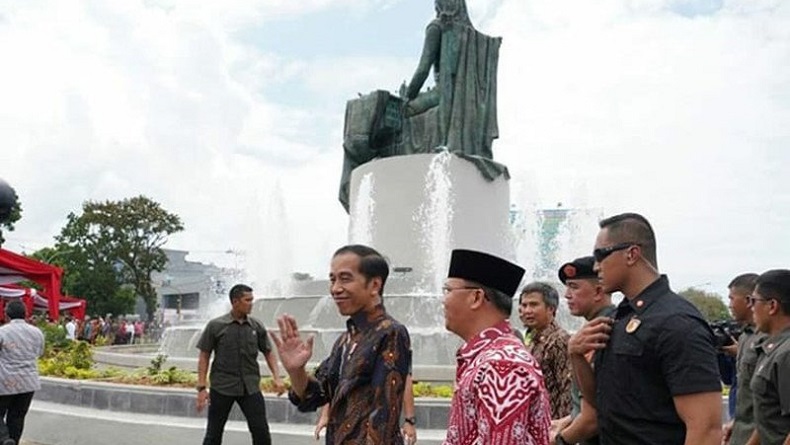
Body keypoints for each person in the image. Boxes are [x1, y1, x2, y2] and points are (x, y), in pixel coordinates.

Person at [569, 212, 722, 444]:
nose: (596, 266)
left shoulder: (677, 322)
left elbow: (706, 429)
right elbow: (602, 403)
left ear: (632, 254)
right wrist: (576, 355)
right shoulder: (621, 317)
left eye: (601, 255)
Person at [272, 245, 412, 444]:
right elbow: (316, 395)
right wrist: (296, 371)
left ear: (374, 285)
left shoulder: (390, 334)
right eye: (332, 279)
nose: (335, 288)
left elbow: (383, 418)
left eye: (345, 278)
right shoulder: (344, 341)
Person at [442, 249, 550, 444]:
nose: (443, 300)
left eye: (448, 290)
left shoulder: (501, 365)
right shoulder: (489, 357)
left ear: (476, 297)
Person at [196, 284, 286, 445]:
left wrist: (277, 377)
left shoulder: (256, 326)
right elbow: (204, 355)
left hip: (250, 388)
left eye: (252, 299)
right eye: (247, 300)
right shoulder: (216, 325)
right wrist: (202, 388)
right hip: (222, 387)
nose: (252, 303)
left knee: (261, 433)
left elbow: (268, 352)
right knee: (213, 435)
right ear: (235, 301)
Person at [552, 256, 614, 445]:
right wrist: (567, 420)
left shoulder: (601, 332)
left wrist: (557, 441)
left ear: (598, 291)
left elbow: (592, 418)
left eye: (574, 287)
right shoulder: (596, 327)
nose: (567, 295)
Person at [518, 281, 572, 419]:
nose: (527, 310)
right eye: (524, 305)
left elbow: (566, 390)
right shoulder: (531, 339)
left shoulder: (559, 340)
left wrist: (560, 433)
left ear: (551, 309)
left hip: (551, 425)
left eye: (534, 304)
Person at [748, 269, 790, 445]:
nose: (751, 307)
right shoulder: (772, 349)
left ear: (772, 306)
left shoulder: (786, 353)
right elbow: (769, 417)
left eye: (753, 300)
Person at [721, 273, 761, 445]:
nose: (730, 305)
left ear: (748, 300)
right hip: (741, 432)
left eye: (732, 299)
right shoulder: (745, 337)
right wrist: (736, 422)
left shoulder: (771, 340)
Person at [0, 300, 45, 445]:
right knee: (18, 416)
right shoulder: (37, 332)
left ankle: (5, 439)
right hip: (29, 382)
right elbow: (40, 353)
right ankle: (13, 441)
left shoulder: (3, 332)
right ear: (25, 314)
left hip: (6, 381)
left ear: (7, 314)